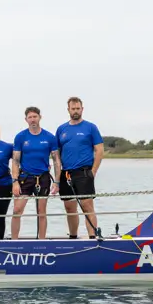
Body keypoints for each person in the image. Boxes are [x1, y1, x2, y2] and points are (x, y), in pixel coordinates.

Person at [55, 97, 104, 239]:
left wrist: (93, 172)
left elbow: (99, 150)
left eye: (78, 108)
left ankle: (92, 237)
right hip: (66, 173)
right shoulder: (61, 129)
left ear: (82, 109)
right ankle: (73, 236)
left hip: (84, 172)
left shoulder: (90, 127)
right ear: (68, 110)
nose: (75, 111)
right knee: (69, 208)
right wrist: (57, 177)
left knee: (86, 206)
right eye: (73, 108)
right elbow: (56, 153)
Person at [11, 106, 61, 239]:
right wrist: (15, 181)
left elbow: (56, 161)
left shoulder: (49, 137)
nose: (33, 119)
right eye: (30, 117)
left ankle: (42, 240)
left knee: (41, 212)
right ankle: (14, 241)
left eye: (35, 117)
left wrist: (56, 182)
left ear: (40, 117)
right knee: (17, 211)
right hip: (25, 178)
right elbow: (15, 161)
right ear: (26, 119)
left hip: (43, 178)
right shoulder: (20, 137)